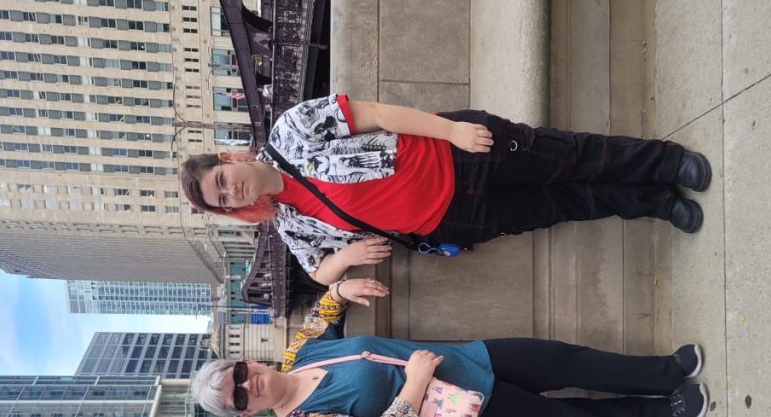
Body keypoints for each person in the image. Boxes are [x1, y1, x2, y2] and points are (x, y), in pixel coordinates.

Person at [178, 94, 712, 283]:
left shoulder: (290, 130)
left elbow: (375, 114)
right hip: (453, 220)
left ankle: (667, 162)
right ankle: (657, 203)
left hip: (458, 153)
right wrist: (347, 260)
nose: (235, 192)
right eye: (224, 200)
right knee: (568, 203)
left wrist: (452, 129)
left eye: (223, 181)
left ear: (229, 159)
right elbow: (316, 270)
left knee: (573, 155)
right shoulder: (290, 222)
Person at [190, 279, 708, 417]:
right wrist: (413, 385)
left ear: (247, 360)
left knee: (566, 359)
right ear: (246, 412)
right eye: (237, 397)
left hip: (467, 361)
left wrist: (343, 291)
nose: (245, 383)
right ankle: (661, 416)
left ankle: (665, 371)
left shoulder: (300, 353)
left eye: (238, 372)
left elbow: (322, 312)